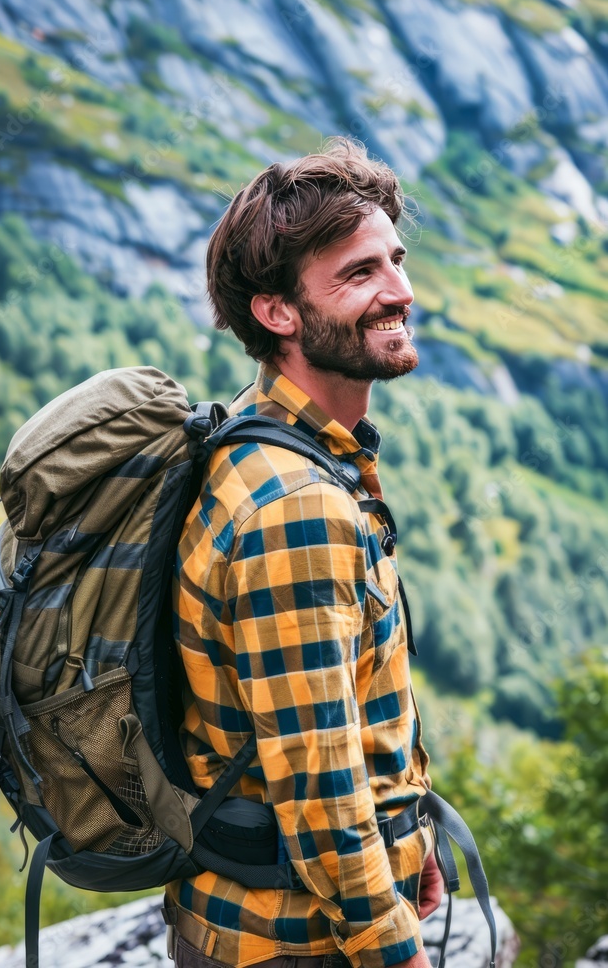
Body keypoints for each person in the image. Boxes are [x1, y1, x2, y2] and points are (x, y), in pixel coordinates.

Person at [165, 137, 444, 968]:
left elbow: (332, 716)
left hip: (259, 919)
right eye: (358, 274)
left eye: (393, 259)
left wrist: (407, 837)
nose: (398, 291)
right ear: (277, 311)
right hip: (295, 945)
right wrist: (395, 949)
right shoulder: (299, 512)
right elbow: (317, 797)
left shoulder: (266, 439)